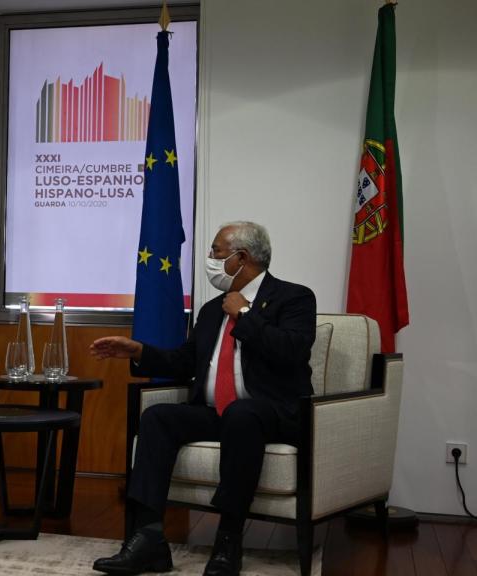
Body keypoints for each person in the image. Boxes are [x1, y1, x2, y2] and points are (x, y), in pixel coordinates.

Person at [89, 221, 316, 576]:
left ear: (242, 258)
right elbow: (184, 362)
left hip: (275, 414)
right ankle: (148, 538)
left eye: (216, 252)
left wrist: (244, 313)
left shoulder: (295, 297)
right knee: (158, 417)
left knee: (243, 414)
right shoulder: (211, 310)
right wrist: (138, 351)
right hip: (219, 412)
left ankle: (228, 540)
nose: (210, 259)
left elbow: (291, 350)